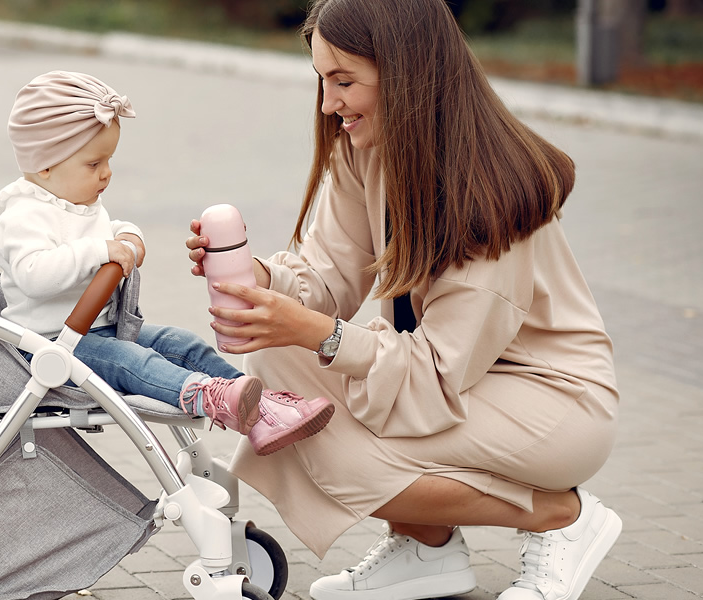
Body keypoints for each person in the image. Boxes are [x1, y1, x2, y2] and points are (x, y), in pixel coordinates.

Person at [184, 1, 621, 599]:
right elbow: (326, 278)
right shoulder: (365, 150)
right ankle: (427, 547)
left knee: (336, 448)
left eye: (344, 81)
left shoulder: (487, 192)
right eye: (321, 80)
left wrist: (319, 334)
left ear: (408, 75)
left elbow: (434, 374)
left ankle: (558, 517)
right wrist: (257, 280)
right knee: (275, 367)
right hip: (456, 379)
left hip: (551, 400)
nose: (326, 103)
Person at [0, 70, 335, 454]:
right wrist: (101, 252)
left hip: (98, 332)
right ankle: (206, 396)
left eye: (109, 160)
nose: (106, 173)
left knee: (180, 343)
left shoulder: (75, 200)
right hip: (51, 347)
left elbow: (107, 228)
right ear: (45, 165)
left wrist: (128, 235)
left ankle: (264, 410)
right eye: (94, 164)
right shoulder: (23, 216)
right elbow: (33, 274)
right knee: (131, 361)